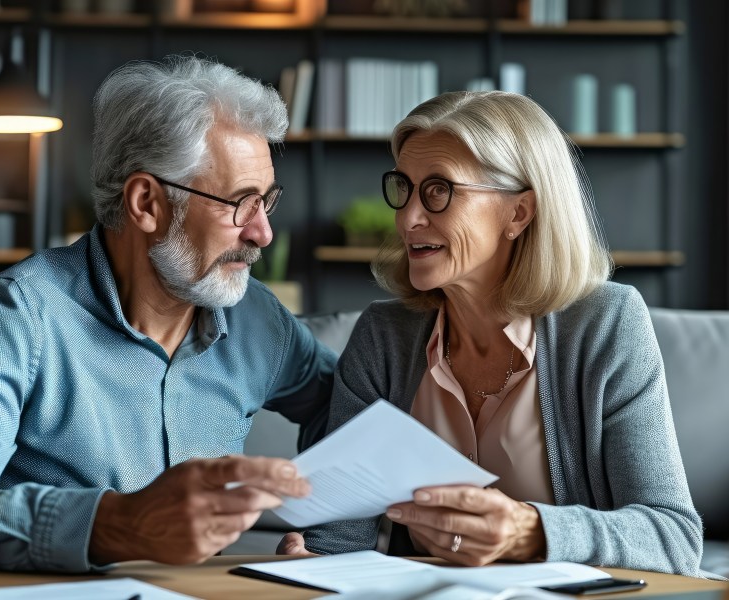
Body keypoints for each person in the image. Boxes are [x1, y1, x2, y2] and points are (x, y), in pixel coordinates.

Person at [0, 55, 336, 572]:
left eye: (267, 201)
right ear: (146, 202)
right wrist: (117, 524)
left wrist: (330, 526)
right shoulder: (21, 312)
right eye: (240, 203)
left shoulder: (258, 319)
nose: (263, 234)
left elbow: (344, 403)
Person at [279, 90, 703, 576]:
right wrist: (311, 563)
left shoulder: (606, 323)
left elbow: (674, 538)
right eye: (405, 187)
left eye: (438, 190)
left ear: (518, 213)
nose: (408, 218)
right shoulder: (383, 337)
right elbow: (338, 539)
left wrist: (531, 532)